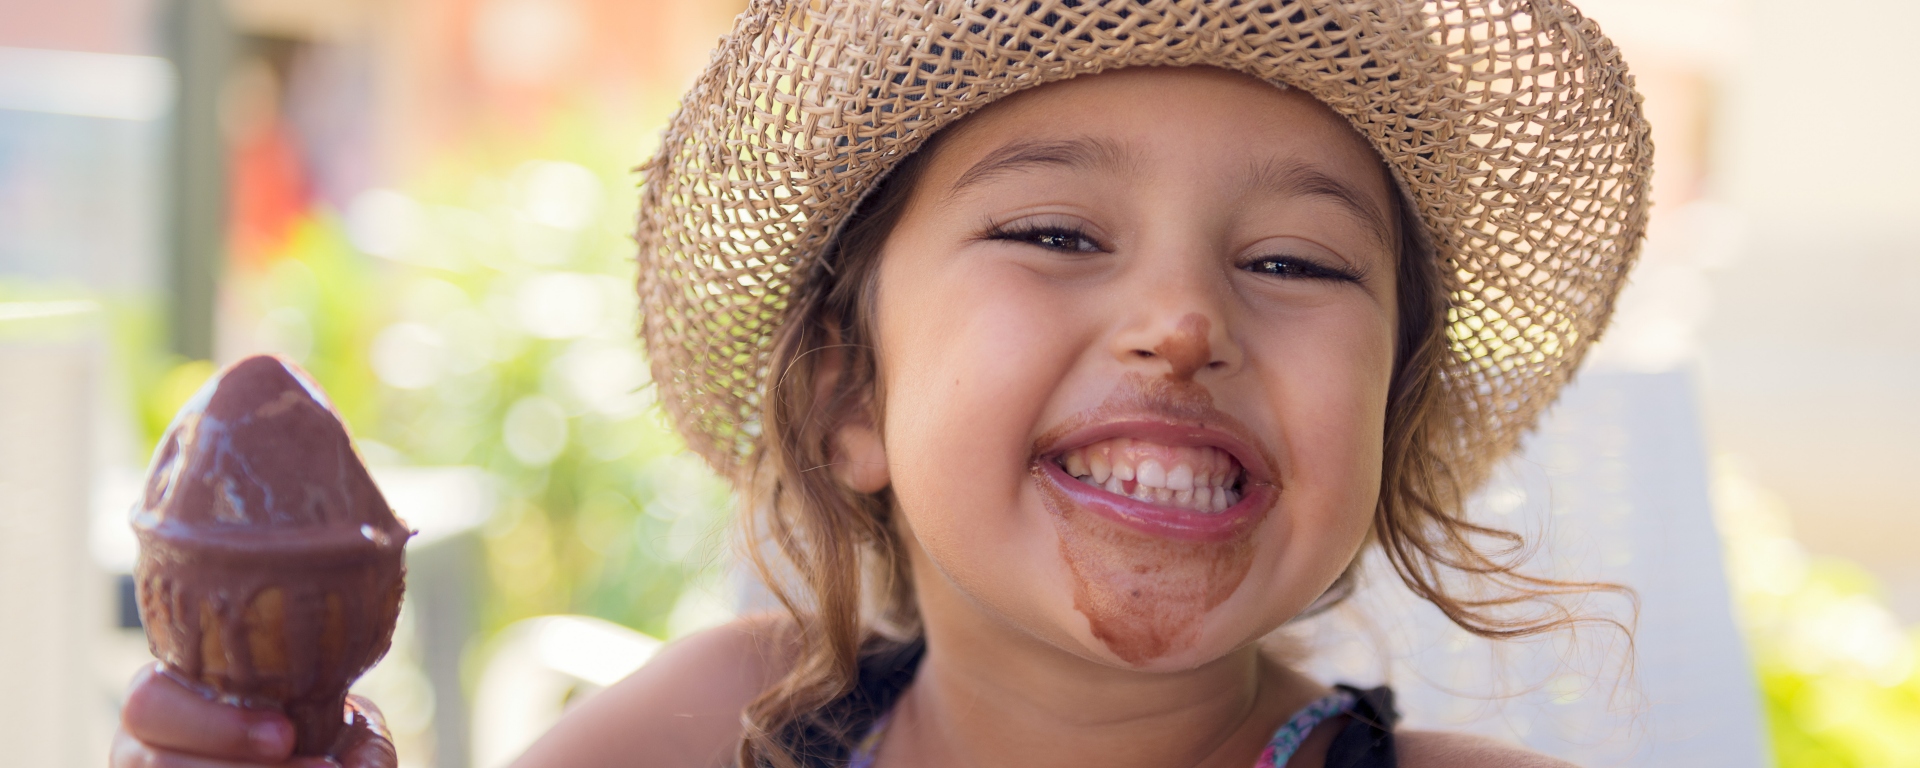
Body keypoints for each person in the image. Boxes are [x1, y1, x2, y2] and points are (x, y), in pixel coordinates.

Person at [112, 1, 1651, 766]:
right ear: (850, 395)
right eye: (1055, 232)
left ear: (1382, 424)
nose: (1182, 320)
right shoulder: (718, 729)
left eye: (1299, 263)